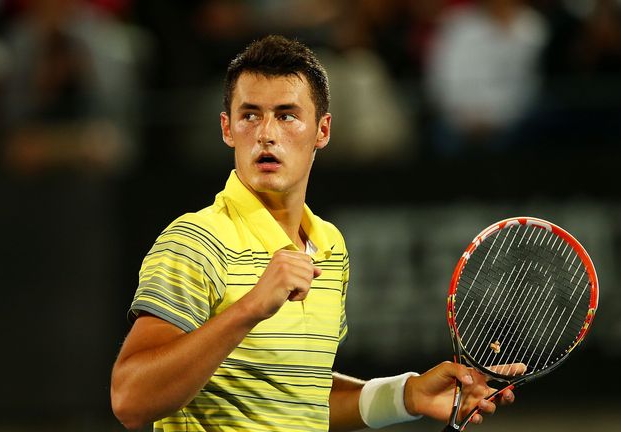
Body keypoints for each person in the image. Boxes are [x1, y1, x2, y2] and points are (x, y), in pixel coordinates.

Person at [110, 34, 518, 431]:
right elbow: (131, 400)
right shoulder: (195, 242)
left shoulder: (329, 246)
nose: (266, 133)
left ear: (322, 131)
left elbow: (300, 397)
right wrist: (251, 308)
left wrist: (407, 395)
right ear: (227, 129)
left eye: (286, 115)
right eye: (250, 115)